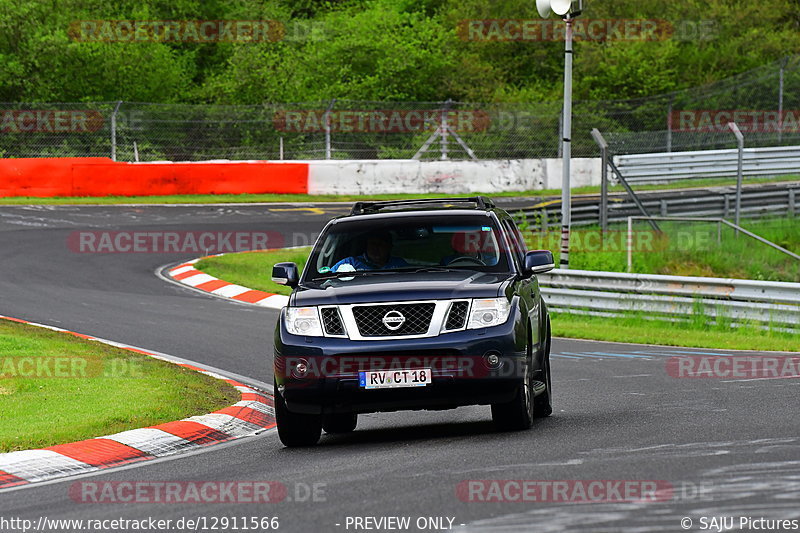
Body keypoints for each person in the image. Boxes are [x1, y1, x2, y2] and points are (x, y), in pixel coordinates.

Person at [332, 230, 408, 271]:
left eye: (380, 245)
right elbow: (328, 279)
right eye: (373, 244)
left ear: (389, 247)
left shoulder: (400, 264)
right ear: (366, 246)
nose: (376, 248)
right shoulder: (349, 263)